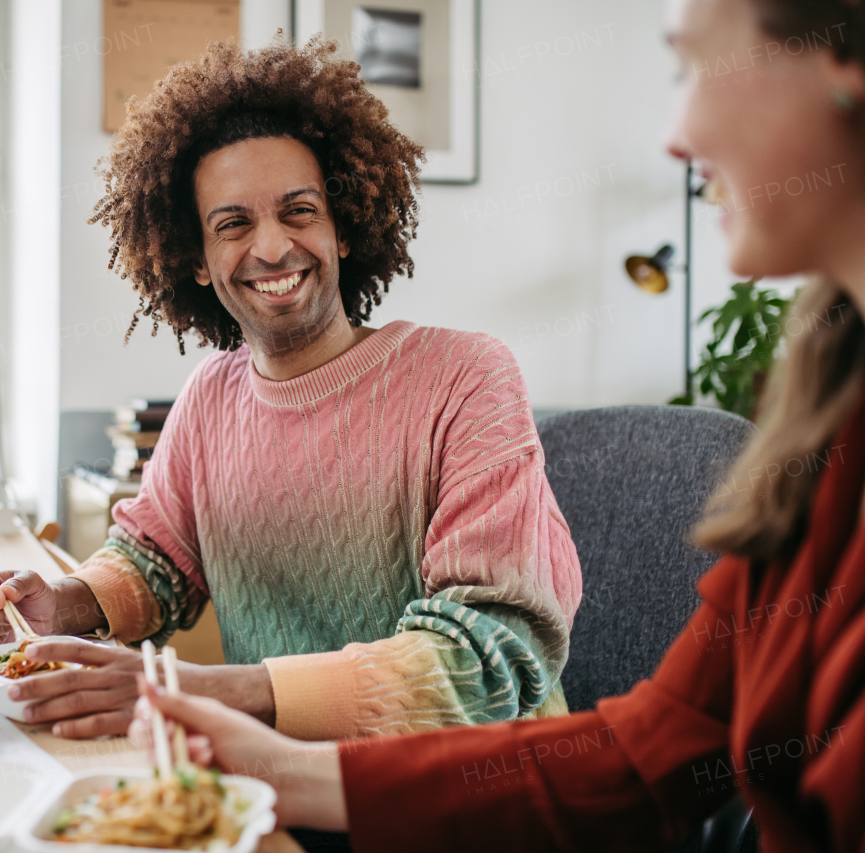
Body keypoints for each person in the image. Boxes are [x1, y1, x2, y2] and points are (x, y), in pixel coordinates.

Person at [129, 0, 865, 850]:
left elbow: (492, 665)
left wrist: (240, 693)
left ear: (843, 67)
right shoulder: (821, 420)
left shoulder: (458, 373)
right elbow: (643, 757)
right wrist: (264, 760)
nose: (675, 134)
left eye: (695, 68)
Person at [0, 38, 583, 740]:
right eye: (233, 224)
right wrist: (64, 603)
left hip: (470, 796)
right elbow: (156, 557)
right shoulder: (209, 398)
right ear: (197, 260)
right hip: (283, 783)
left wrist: (212, 690)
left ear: (342, 228)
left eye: (298, 211)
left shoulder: (466, 377)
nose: (269, 248)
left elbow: (489, 654)